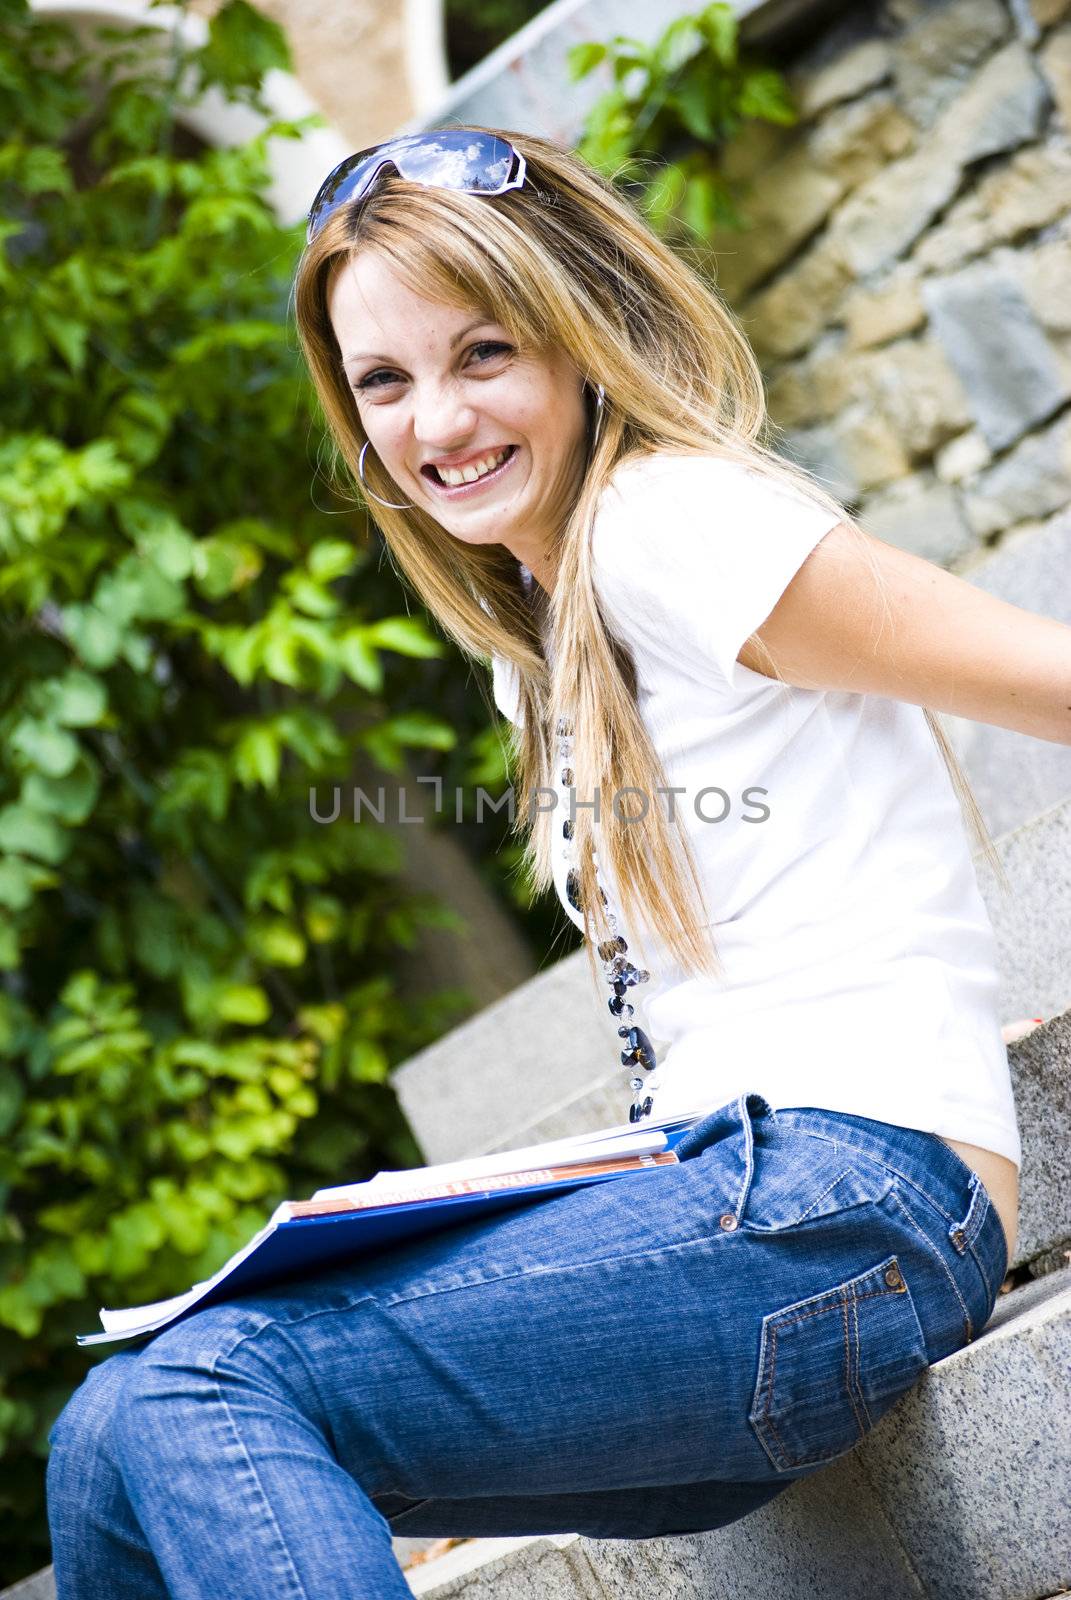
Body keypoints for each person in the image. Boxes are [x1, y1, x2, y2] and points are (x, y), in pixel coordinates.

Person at [45, 125, 1069, 1600]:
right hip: (750, 1213)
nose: (433, 422)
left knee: (205, 1389)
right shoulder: (546, 632)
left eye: (481, 354)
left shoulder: (675, 522)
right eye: (384, 382)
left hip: (851, 1210)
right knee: (104, 1434)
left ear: (580, 340)